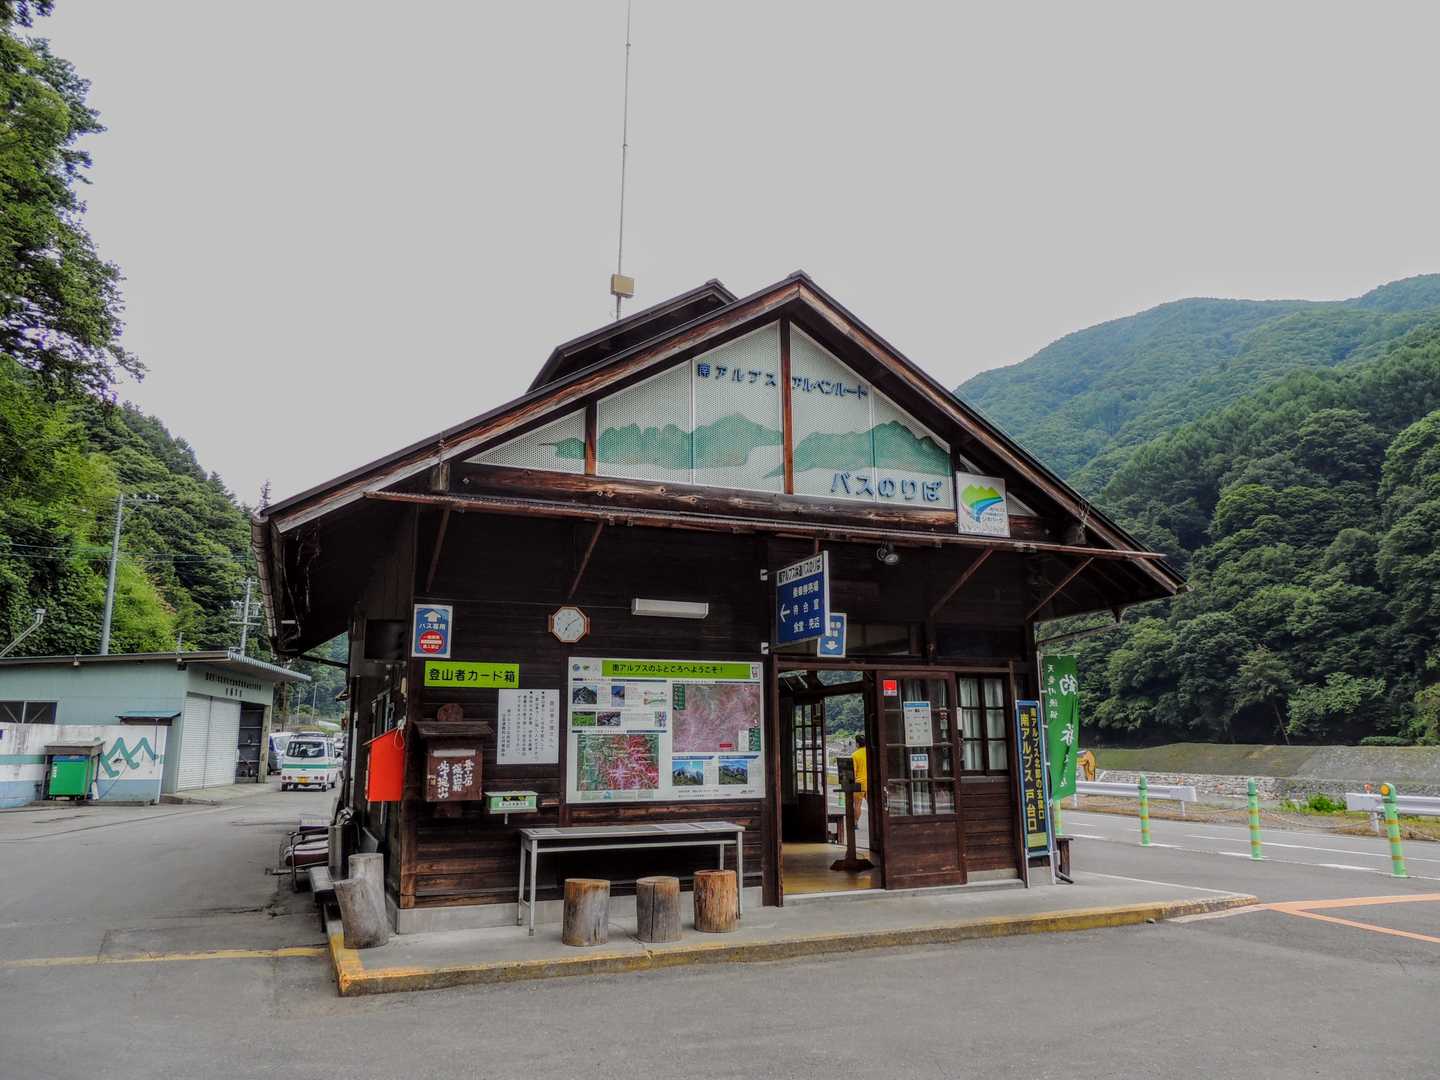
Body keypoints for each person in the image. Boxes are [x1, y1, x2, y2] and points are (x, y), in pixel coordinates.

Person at [850, 734, 868, 826]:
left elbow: (853, 771)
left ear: (857, 744)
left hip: (859, 783)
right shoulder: (870, 753)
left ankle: (855, 823)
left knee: (857, 805)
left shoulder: (855, 755)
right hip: (870, 782)